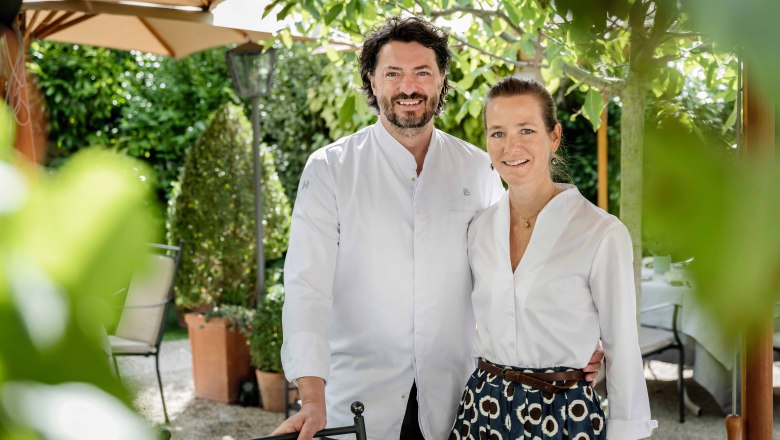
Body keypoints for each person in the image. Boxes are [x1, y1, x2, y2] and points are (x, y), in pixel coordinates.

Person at [273, 17, 603, 440]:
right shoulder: (330, 170)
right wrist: (312, 398)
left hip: (458, 401)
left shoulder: (478, 167)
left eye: (422, 73)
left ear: (442, 81)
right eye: (393, 73)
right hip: (356, 400)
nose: (408, 87)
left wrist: (575, 345)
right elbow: (306, 289)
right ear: (372, 81)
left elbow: (512, 275)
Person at [448, 77, 657, 440]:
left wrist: (626, 432)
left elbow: (622, 346)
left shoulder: (600, 233)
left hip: (563, 415)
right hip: (482, 409)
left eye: (526, 130)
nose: (511, 146)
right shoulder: (477, 229)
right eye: (497, 133)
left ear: (554, 136)